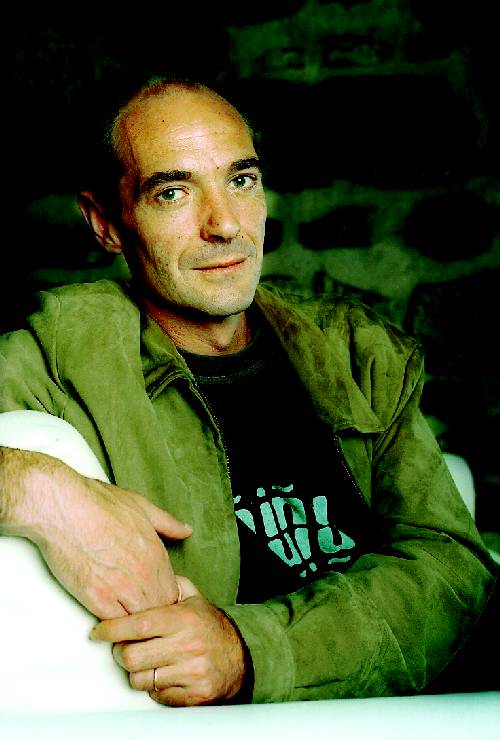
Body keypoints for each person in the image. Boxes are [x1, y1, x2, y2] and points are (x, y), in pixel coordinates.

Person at [0, 77, 496, 707]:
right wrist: (38, 489)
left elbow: (451, 568)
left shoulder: (355, 351)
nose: (225, 224)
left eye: (241, 180)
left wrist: (247, 649)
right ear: (107, 224)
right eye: (173, 192)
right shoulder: (61, 354)